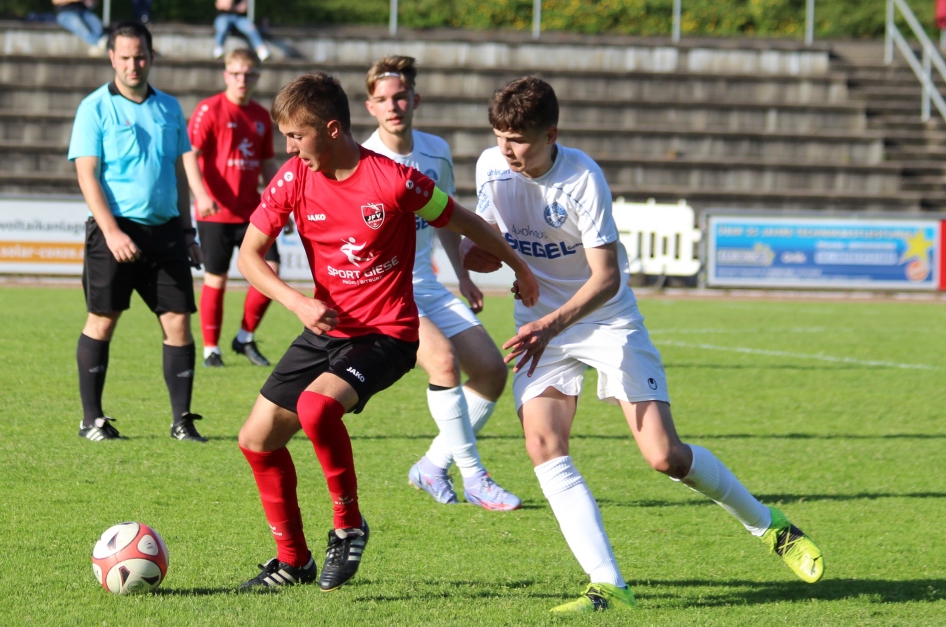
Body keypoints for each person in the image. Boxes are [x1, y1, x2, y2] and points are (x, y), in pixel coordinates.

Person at [461, 76, 825, 613]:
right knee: (543, 445)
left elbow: (606, 277)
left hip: (603, 319)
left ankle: (770, 526)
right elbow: (491, 237)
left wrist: (549, 321)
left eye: (519, 139)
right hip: (540, 324)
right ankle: (608, 586)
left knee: (664, 456)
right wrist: (478, 262)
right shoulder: (491, 167)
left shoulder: (583, 178)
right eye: (499, 136)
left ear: (551, 133)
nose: (506, 150)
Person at [233, 71, 539, 592]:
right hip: (325, 326)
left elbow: (462, 219)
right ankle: (292, 561)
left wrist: (519, 266)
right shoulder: (292, 178)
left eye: (296, 136)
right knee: (256, 442)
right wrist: (296, 301)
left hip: (387, 333)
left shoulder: (394, 180)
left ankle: (348, 527)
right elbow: (249, 254)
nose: (288, 147)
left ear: (331, 129)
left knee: (316, 407)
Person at [360, 56, 520, 511]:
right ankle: (475, 477)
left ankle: (432, 466)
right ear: (370, 106)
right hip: (386, 289)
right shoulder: (364, 159)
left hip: (427, 284)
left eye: (401, 96)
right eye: (383, 100)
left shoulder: (436, 151)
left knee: (490, 370)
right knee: (444, 364)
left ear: (416, 99)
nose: (394, 106)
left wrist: (462, 275)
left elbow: (445, 216)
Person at [68, 21, 210, 444]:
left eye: (141, 56)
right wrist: (111, 232)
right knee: (103, 320)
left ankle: (182, 421)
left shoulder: (168, 107)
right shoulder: (94, 107)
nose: (134, 64)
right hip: (115, 230)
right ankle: (92, 420)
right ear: (112, 58)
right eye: (125, 56)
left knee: (178, 323)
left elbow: (179, 174)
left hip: (166, 231)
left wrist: (188, 233)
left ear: (151, 56)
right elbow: (87, 175)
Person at [187, 48, 281, 368]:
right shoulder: (209, 109)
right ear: (226, 75)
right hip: (215, 212)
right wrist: (200, 194)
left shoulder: (259, 116)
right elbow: (190, 155)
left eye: (249, 74)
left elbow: (268, 163)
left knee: (272, 272)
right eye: (237, 73)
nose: (243, 80)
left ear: (257, 76)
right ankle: (211, 349)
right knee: (217, 278)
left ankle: (244, 338)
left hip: (252, 212)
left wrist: (280, 203)